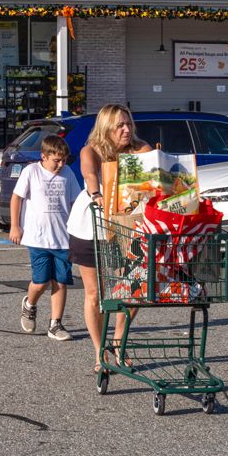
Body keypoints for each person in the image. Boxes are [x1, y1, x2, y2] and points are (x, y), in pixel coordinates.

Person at [69, 104, 151, 373]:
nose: (127, 129)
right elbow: (90, 173)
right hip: (92, 227)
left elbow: (155, 170)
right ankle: (99, 350)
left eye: (128, 124)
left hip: (128, 227)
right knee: (95, 294)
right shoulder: (90, 150)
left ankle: (118, 342)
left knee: (133, 290)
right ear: (106, 128)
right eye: (120, 126)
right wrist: (96, 194)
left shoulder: (140, 150)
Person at [9, 133, 78, 341]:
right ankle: (29, 304)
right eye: (56, 160)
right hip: (37, 237)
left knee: (61, 281)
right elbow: (16, 198)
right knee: (41, 281)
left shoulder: (68, 174)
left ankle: (55, 324)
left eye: (63, 160)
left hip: (63, 238)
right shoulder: (32, 172)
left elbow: (74, 203)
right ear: (44, 156)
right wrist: (15, 226)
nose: (60, 164)